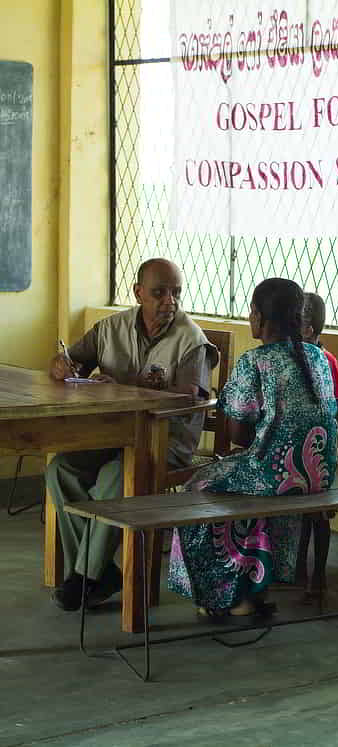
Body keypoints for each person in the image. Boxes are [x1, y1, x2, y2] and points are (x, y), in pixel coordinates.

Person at [47, 258, 218, 611]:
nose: (169, 301)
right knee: (61, 469)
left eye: (176, 293)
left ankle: (83, 578)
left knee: (115, 474)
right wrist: (62, 366)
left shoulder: (191, 340)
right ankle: (99, 571)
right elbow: (67, 362)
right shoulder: (111, 328)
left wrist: (123, 385)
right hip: (113, 435)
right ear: (138, 293)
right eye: (159, 293)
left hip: (164, 443)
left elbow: (190, 395)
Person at [167, 278, 338, 619]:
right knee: (241, 482)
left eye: (250, 311)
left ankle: (223, 594)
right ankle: (252, 591)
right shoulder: (319, 357)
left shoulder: (254, 361)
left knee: (199, 486)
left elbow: (240, 437)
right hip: (320, 474)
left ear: (259, 317)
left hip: (277, 476)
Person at [295, 292, 338, 602]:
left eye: (297, 323)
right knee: (302, 516)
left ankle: (320, 575)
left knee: (318, 517)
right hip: (298, 448)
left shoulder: (327, 361)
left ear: (310, 329)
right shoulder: (291, 356)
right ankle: (299, 570)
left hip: (319, 451)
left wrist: (329, 450)